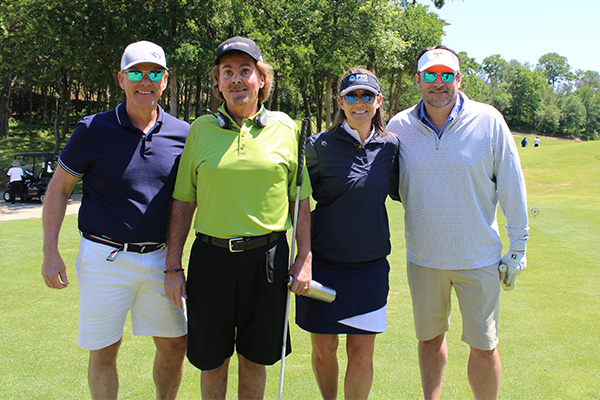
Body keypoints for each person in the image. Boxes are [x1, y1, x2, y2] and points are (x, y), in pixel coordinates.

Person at [164, 36, 312, 400]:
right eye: (227, 72)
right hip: (211, 260)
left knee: (254, 359)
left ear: (261, 79)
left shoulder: (287, 128)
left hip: (268, 260)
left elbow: (301, 202)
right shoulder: (200, 129)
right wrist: (172, 266)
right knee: (212, 361)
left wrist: (304, 259)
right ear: (217, 82)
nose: (236, 79)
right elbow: (184, 201)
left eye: (245, 71)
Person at [41, 40, 189, 399]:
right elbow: (59, 189)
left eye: (154, 73)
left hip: (160, 260)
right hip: (104, 258)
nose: (145, 81)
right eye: (136, 73)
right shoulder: (93, 129)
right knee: (104, 351)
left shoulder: (183, 134)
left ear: (165, 80)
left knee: (175, 346)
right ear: (121, 79)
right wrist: (50, 251)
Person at [386, 45, 529, 400]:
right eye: (431, 75)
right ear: (418, 81)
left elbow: (512, 184)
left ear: (459, 79)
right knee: (429, 340)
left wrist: (519, 247)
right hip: (424, 257)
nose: (439, 82)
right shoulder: (398, 126)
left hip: (478, 258)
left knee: (484, 345)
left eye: (446, 75)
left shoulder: (489, 120)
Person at [296, 68, 399, 400]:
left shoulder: (390, 146)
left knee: (361, 354)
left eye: (367, 96)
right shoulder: (319, 146)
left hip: (369, 267)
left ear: (378, 101)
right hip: (324, 263)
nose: (360, 103)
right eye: (352, 96)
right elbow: (297, 198)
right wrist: (303, 257)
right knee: (324, 350)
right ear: (340, 101)